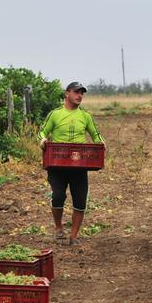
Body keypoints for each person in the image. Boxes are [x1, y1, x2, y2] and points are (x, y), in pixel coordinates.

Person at [38, 81, 105, 245]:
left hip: (78, 165)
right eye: (76, 92)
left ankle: (73, 236)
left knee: (80, 201)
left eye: (82, 93)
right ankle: (58, 227)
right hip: (57, 164)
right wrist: (43, 140)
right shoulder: (55, 114)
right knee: (58, 196)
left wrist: (101, 143)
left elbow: (96, 136)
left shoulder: (85, 116)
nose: (79, 96)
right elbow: (42, 132)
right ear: (67, 93)